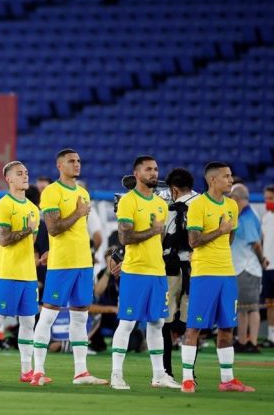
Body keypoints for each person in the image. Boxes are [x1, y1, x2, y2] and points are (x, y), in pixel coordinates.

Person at [31, 148, 107, 386]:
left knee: (80, 317)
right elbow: (53, 228)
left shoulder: (83, 192)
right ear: (59, 166)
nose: (77, 165)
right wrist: (78, 212)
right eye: (71, 161)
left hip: (84, 263)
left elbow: (76, 232)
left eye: (78, 161)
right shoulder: (52, 192)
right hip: (62, 265)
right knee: (48, 315)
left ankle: (81, 372)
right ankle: (38, 371)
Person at [181, 162, 254, 392]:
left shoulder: (232, 205)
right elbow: (193, 241)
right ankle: (187, 379)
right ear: (213, 180)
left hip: (227, 274)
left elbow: (229, 240)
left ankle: (227, 380)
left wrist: (224, 233)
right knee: (194, 328)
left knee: (226, 328)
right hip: (204, 274)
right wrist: (220, 231)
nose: (231, 180)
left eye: (231, 176)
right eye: (227, 176)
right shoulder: (198, 205)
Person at [110, 155, 180, 390]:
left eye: (156, 169)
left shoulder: (161, 205)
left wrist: (154, 234)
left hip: (157, 272)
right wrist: (152, 231)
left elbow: (159, 239)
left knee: (158, 322)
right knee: (128, 323)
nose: (154, 173)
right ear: (137, 173)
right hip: (135, 271)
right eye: (149, 169)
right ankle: (116, 374)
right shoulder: (128, 201)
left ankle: (159, 375)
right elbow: (125, 237)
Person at [0, 161, 39, 383]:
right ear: (9, 179)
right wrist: (27, 229)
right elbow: (4, 239)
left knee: (29, 323)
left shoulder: (33, 209)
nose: (25, 176)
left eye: (26, 172)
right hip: (9, 274)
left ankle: (26, 371)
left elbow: (30, 244)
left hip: (28, 275)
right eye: (19, 173)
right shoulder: (3, 205)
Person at [161, 168, 198, 376]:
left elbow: (160, 237)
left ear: (173, 190)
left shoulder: (167, 209)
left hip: (171, 269)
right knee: (191, 324)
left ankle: (166, 372)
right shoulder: (203, 203)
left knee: (164, 324)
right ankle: (190, 374)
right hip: (196, 269)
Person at [230, 184, 267, 354]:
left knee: (252, 307)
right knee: (242, 308)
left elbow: (256, 244)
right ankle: (243, 341)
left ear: (237, 199)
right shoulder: (243, 216)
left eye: (231, 199)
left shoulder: (248, 217)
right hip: (240, 267)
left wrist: (261, 261)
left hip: (247, 267)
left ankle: (252, 342)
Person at [262, 184, 274, 348]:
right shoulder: (265, 217)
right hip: (268, 266)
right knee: (270, 302)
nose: (267, 201)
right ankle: (271, 336)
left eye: (270, 198)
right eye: (265, 198)